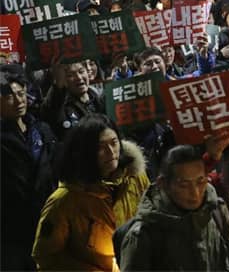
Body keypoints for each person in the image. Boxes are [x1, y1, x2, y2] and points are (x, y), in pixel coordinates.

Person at [32, 115, 149, 271]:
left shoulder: (135, 177)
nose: (111, 152)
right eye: (101, 147)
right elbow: (46, 257)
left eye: (114, 143)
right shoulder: (66, 199)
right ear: (85, 152)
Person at [118, 145, 229, 271]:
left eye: (200, 181)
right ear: (163, 184)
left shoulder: (215, 209)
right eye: (184, 185)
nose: (195, 192)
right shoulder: (143, 233)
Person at [1, 66, 57, 271]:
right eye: (8, 96)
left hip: (49, 223)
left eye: (20, 93)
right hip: (13, 233)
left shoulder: (41, 130)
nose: (18, 100)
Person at [41, 61, 106, 140]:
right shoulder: (60, 106)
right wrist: (58, 84)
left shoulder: (99, 100)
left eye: (81, 71)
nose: (78, 77)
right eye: (70, 75)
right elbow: (50, 109)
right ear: (63, 80)